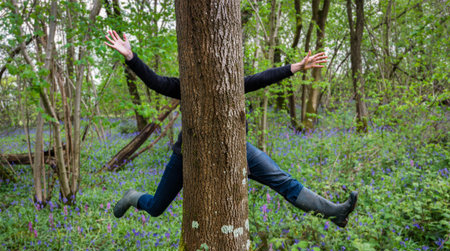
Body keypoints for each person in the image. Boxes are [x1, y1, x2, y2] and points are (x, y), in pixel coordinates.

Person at [105, 30, 357, 228]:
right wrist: (131, 57)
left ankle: (333, 212)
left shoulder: (232, 83)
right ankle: (132, 196)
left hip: (236, 149)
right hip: (190, 155)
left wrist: (297, 66)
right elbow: (155, 82)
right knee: (157, 206)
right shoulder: (186, 85)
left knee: (284, 181)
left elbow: (261, 78)